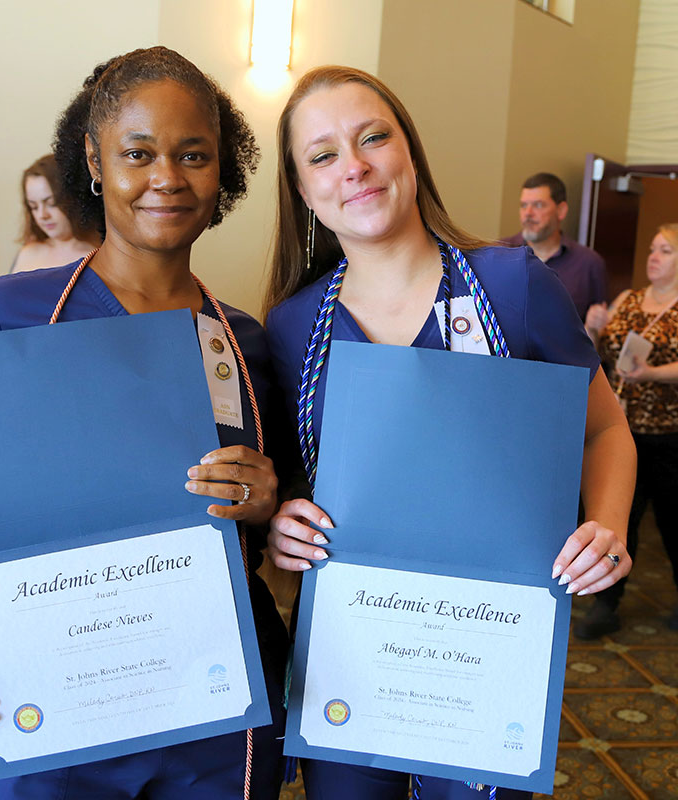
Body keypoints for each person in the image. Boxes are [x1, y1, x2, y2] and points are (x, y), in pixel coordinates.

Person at [262, 66, 636, 800]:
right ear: (303, 191)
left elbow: (604, 429)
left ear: (411, 154)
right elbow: (292, 479)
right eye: (324, 155)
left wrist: (610, 527)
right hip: (350, 648)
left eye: (374, 138)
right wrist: (281, 524)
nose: (356, 166)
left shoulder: (512, 288)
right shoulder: (291, 326)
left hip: (487, 644)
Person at [0, 46, 288, 799]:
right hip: (56, 687)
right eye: (138, 153)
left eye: (194, 155)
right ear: (94, 162)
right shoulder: (12, 314)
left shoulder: (245, 340)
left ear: (223, 171)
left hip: (211, 695)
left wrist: (263, 500)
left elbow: (278, 517)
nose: (167, 177)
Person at [579, 224, 678, 637]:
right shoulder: (629, 299)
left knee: (673, 525)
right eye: (653, 248)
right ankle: (607, 603)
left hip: (670, 434)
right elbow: (596, 353)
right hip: (621, 429)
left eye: (666, 251)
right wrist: (593, 325)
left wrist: (651, 373)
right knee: (622, 519)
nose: (653, 257)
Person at [501, 173, 607, 322]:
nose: (528, 213)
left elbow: (594, 331)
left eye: (538, 205)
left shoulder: (589, 263)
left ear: (561, 210)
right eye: (523, 205)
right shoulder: (500, 253)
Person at [10, 154, 100, 273]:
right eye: (34, 207)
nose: (42, 215)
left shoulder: (98, 258)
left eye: (52, 203)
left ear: (74, 199)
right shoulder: (26, 253)